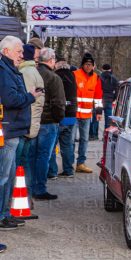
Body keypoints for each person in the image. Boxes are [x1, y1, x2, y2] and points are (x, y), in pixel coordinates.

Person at [0, 36, 39, 230]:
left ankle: (5, 214)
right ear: (6, 51)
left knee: (8, 176)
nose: (22, 55)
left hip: (12, 130)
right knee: (3, 177)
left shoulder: (10, 70)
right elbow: (10, 99)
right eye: (18, 51)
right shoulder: (3, 71)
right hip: (8, 130)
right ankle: (1, 216)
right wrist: (30, 96)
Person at [31, 48, 65, 200]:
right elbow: (58, 102)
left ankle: (29, 187)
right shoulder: (54, 78)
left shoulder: (33, 73)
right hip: (49, 123)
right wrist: (58, 118)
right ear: (51, 60)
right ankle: (40, 189)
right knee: (43, 156)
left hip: (33, 121)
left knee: (31, 156)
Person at [17, 44, 45, 205]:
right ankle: (26, 199)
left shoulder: (25, 72)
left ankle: (23, 199)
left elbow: (26, 100)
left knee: (20, 164)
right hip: (29, 125)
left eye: (21, 53)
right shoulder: (32, 71)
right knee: (24, 163)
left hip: (25, 127)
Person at [73, 53, 103, 173]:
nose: (88, 67)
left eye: (90, 64)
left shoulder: (96, 78)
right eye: (86, 64)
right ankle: (69, 164)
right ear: (82, 65)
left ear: (93, 65)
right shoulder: (75, 75)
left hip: (86, 115)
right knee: (70, 140)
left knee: (84, 139)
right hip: (74, 114)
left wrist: (99, 112)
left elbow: (98, 97)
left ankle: (81, 163)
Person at [55, 55, 77, 178]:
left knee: (53, 145)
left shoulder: (55, 75)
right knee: (67, 145)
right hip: (72, 115)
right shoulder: (72, 75)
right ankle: (68, 170)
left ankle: (52, 171)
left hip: (59, 115)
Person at [100, 64, 119, 131]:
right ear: (110, 69)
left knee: (96, 117)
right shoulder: (114, 78)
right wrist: (113, 98)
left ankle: (93, 134)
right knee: (108, 118)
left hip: (99, 100)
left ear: (102, 69)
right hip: (109, 100)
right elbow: (117, 90)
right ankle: (106, 134)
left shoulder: (99, 77)